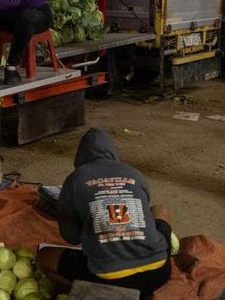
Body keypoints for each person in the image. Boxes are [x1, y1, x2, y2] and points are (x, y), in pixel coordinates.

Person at [37, 128, 173, 298]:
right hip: (159, 270)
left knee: (44, 257)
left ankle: (100, 291)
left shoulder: (76, 179)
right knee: (160, 210)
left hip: (108, 276)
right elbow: (143, 211)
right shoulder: (134, 173)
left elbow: (71, 237)